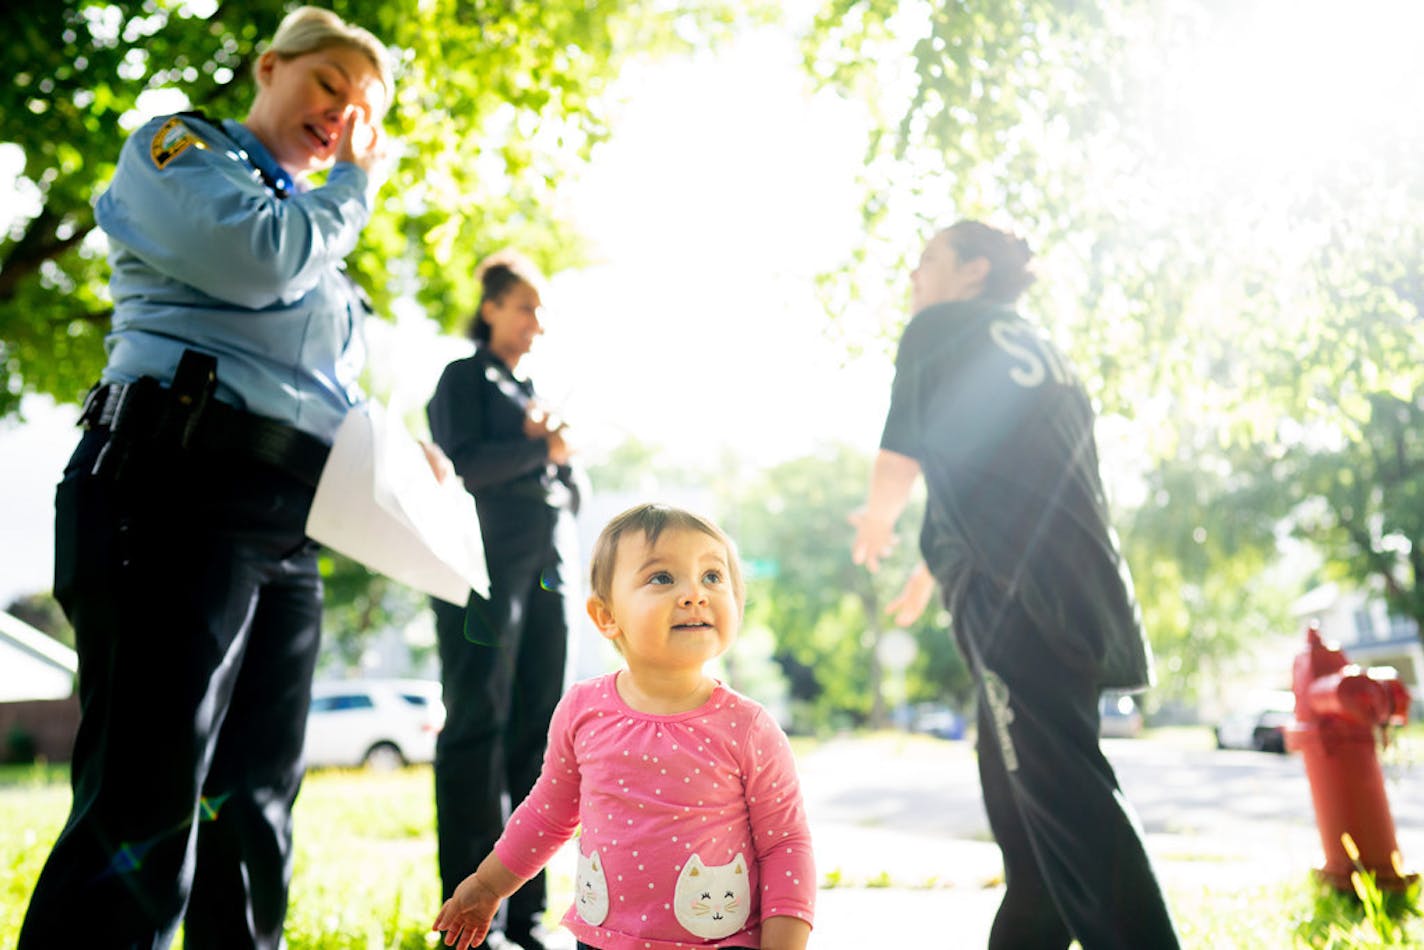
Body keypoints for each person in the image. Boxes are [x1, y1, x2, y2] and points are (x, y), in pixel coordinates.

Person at [17, 8, 402, 948]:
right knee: (146, 800)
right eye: (330, 87)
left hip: (288, 523)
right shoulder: (180, 150)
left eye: (365, 111)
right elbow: (255, 260)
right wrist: (354, 182)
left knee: (255, 806)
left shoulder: (321, 235)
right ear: (271, 65)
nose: (343, 118)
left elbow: (318, 383)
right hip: (173, 490)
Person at [850, 220, 1181, 949]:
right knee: (1033, 832)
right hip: (1082, 591)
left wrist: (878, 521)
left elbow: (901, 453)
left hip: (1012, 594)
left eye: (927, 259)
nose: (914, 278)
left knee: (1067, 801)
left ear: (972, 271)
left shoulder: (936, 329)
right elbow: (1001, 471)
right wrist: (931, 564)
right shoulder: (1036, 346)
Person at [433, 503, 816, 950]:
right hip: (603, 940)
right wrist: (488, 884)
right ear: (605, 616)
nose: (695, 593)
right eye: (662, 578)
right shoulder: (583, 709)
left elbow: (785, 845)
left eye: (712, 576)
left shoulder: (747, 727)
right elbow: (548, 814)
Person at [426, 250, 583, 950]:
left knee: (539, 740)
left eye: (541, 313)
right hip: (480, 572)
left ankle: (526, 917)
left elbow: (563, 483)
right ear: (490, 307)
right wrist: (540, 448)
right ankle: (468, 919)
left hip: (547, 571)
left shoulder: (534, 392)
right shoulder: (465, 378)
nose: (535, 325)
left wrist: (558, 454)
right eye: (525, 307)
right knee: (478, 728)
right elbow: (463, 466)